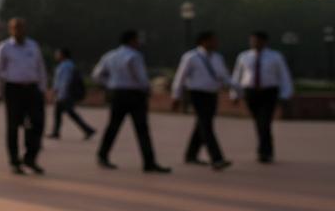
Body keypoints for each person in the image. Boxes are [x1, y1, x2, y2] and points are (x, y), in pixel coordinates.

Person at [93, 30, 170, 173]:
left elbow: (97, 75)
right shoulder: (134, 56)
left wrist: (110, 83)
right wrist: (147, 89)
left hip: (117, 94)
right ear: (131, 40)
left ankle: (102, 155)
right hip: (134, 95)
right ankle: (149, 162)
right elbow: (141, 78)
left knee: (113, 126)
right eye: (137, 39)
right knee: (142, 129)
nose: (138, 42)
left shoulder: (110, 55)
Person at [0, 18, 48, 174]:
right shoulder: (4, 48)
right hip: (13, 89)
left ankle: (30, 158)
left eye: (21, 28)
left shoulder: (33, 46)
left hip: (32, 89)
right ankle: (15, 161)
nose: (18, 31)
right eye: (15, 28)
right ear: (10, 30)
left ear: (25, 29)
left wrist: (42, 89)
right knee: (13, 126)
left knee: (37, 123)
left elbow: (40, 68)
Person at [171, 31, 232, 170]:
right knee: (206, 125)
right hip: (197, 94)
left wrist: (237, 89)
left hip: (212, 94)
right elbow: (180, 77)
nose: (215, 43)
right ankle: (216, 158)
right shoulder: (191, 57)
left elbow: (224, 76)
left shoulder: (217, 58)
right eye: (212, 40)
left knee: (202, 123)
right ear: (203, 41)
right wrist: (176, 95)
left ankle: (191, 155)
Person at [231, 30, 293, 164]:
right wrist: (235, 93)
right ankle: (265, 149)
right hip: (251, 92)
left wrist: (285, 94)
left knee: (265, 121)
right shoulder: (244, 56)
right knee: (259, 121)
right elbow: (237, 76)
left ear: (264, 42)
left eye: (257, 40)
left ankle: (264, 151)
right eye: (252, 40)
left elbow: (284, 76)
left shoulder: (275, 56)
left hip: (269, 92)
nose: (254, 43)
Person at [49, 48, 95, 140]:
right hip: (64, 94)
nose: (56, 56)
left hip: (65, 94)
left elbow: (65, 81)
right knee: (60, 113)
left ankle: (88, 130)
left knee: (71, 114)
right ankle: (56, 132)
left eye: (58, 54)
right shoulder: (66, 65)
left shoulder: (66, 66)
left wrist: (60, 93)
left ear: (63, 55)